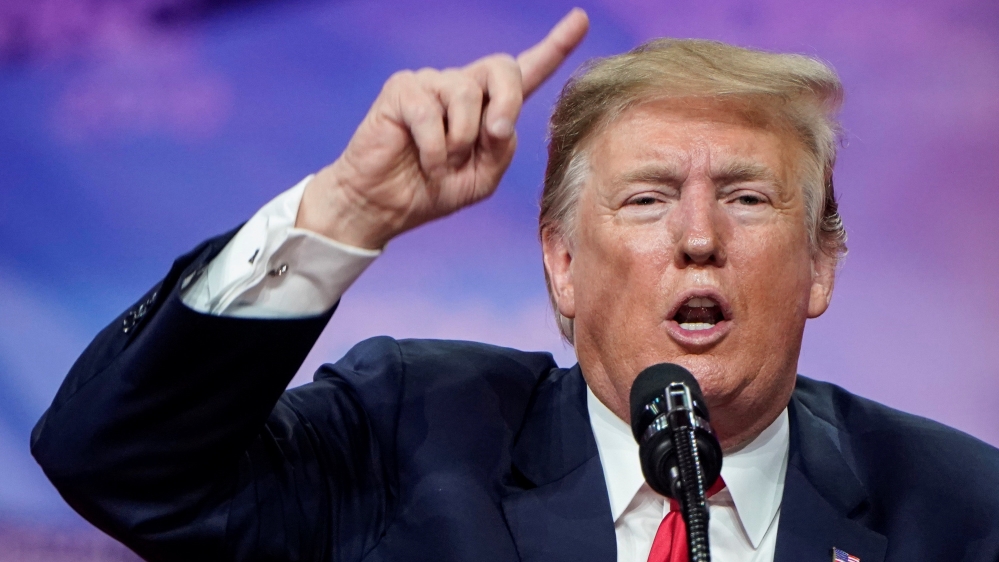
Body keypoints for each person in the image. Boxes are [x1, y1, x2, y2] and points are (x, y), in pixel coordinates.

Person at [30, 8, 999, 562]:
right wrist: (346, 211)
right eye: (648, 199)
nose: (699, 236)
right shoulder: (409, 434)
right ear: (562, 264)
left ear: (822, 263)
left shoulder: (963, 507)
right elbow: (125, 470)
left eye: (748, 199)